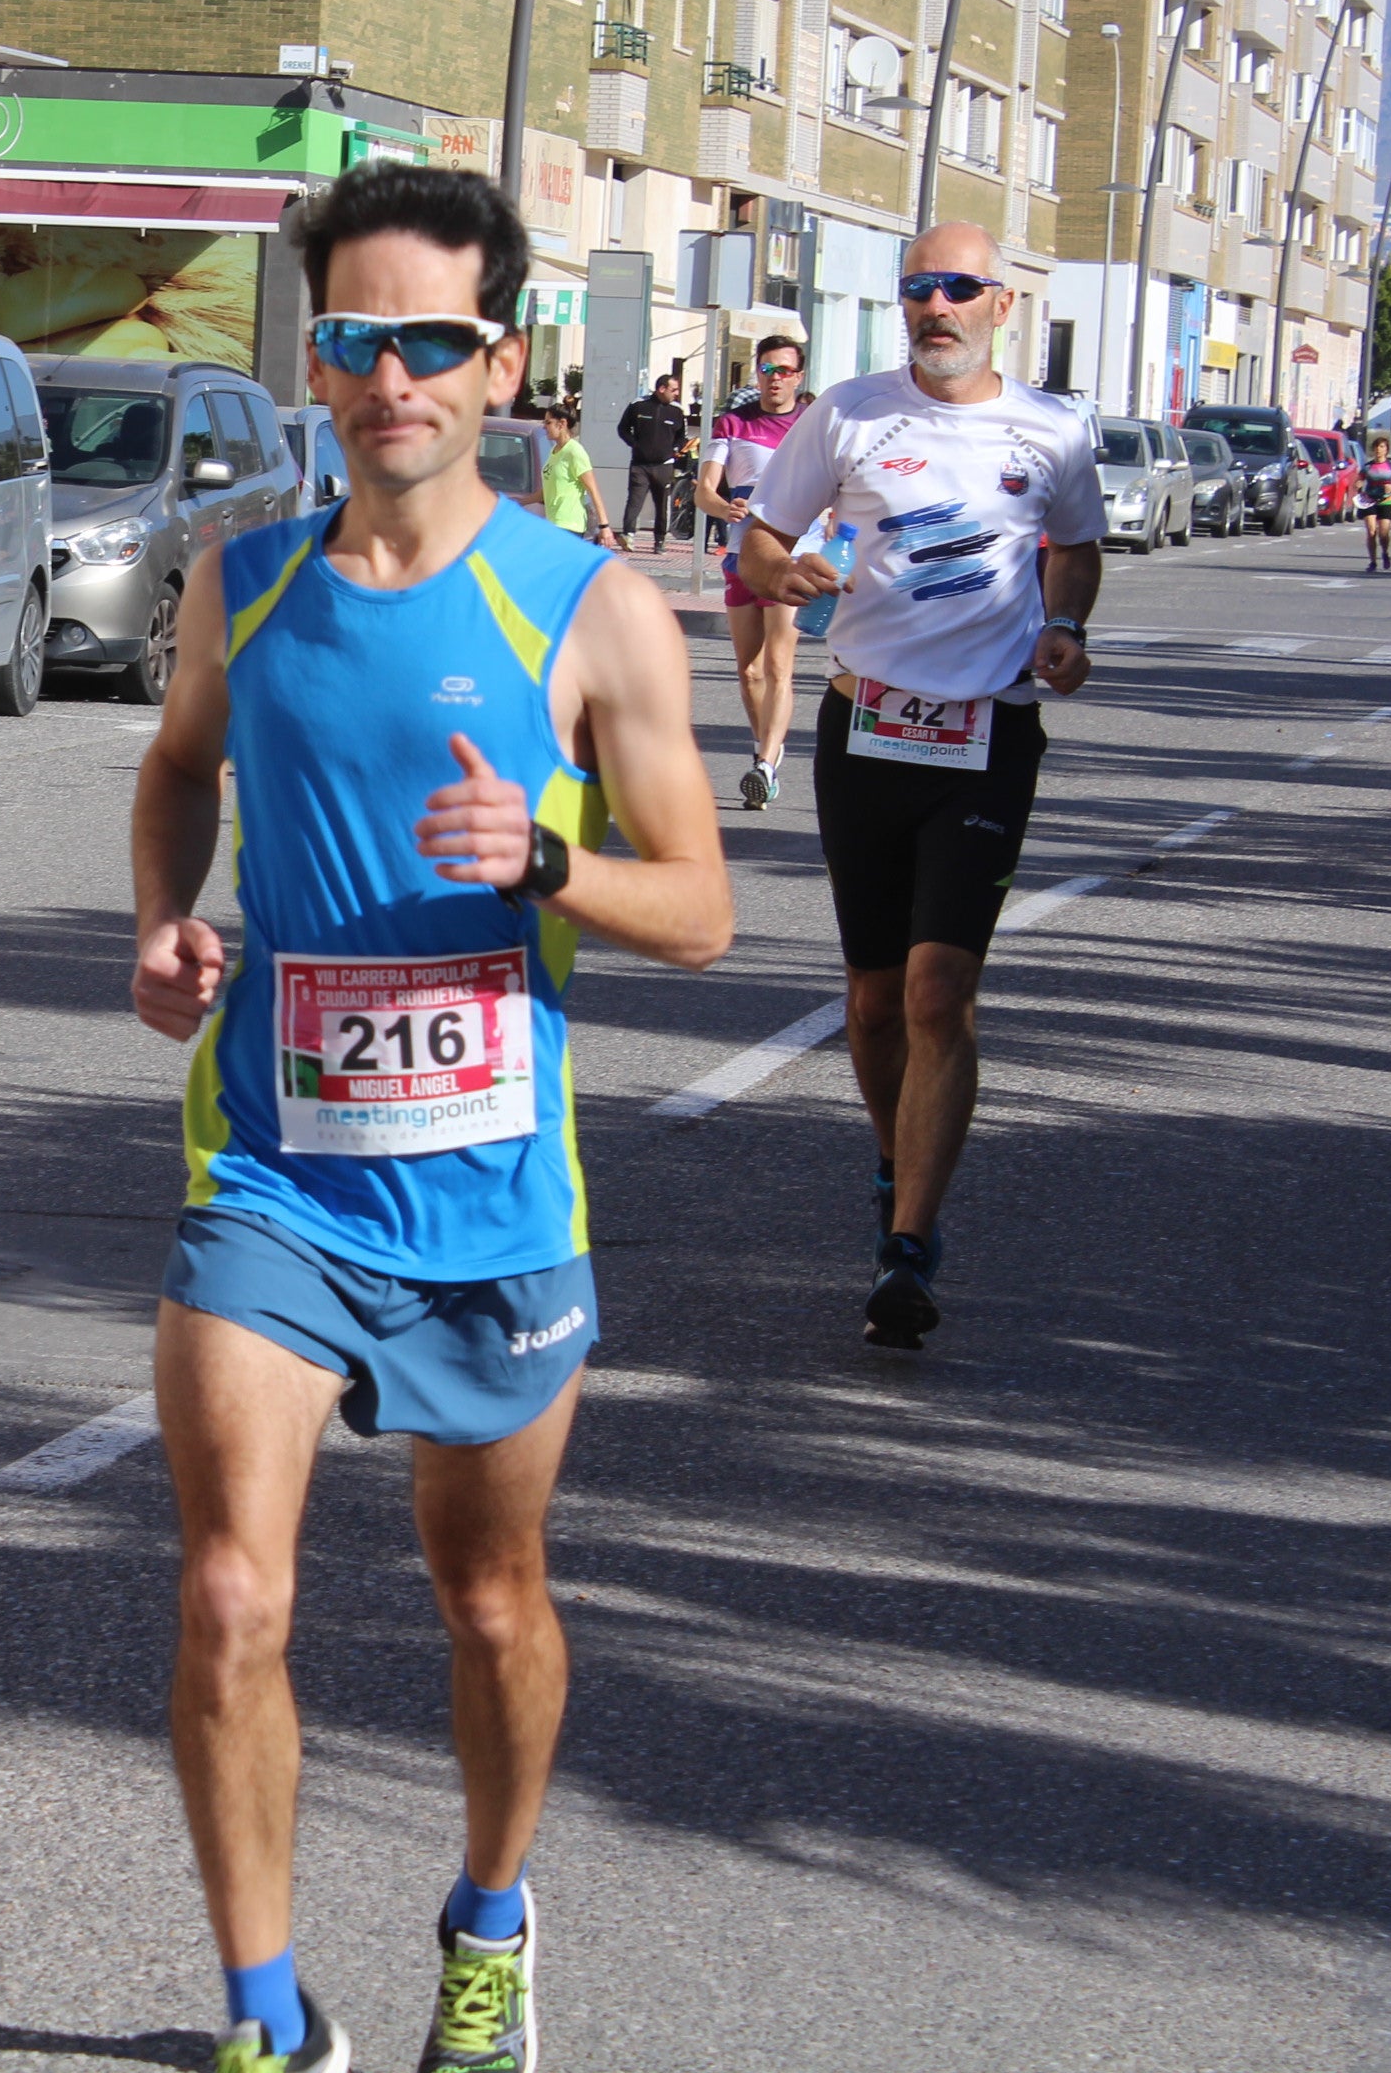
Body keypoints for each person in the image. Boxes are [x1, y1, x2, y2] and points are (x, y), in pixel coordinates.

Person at [130, 163, 732, 2073]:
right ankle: (259, 2010)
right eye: (353, 339)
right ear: (315, 358)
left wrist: (550, 854)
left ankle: (488, 1913)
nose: (390, 376)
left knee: (490, 1598)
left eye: (431, 342)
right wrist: (165, 917)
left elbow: (703, 909)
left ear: (499, 359)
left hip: (490, 1196)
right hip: (276, 1178)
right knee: (232, 1585)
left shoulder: (590, 604)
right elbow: (174, 768)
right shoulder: (247, 579)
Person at [738, 223, 1102, 1350]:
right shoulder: (847, 410)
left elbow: (1076, 546)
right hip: (867, 726)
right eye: (915, 290)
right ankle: (896, 1158)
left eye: (954, 289)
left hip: (987, 735)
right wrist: (782, 569)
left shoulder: (1052, 429)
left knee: (941, 992)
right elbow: (758, 538)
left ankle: (910, 1242)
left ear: (1001, 303)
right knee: (871, 1000)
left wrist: (1066, 623)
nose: (932, 306)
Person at [694, 339, 808, 810]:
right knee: (749, 671)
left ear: (799, 377)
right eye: (767, 368)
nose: (774, 377)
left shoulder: (811, 425)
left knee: (780, 665)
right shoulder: (733, 423)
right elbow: (704, 490)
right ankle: (766, 750)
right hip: (742, 557)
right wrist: (724, 506)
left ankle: (764, 765)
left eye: (784, 370)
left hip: (790, 560)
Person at [615, 373, 689, 551]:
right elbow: (622, 428)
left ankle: (660, 540)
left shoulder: (677, 410)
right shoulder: (638, 405)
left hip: (664, 466)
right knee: (634, 500)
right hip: (640, 464)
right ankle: (628, 535)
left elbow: (682, 437)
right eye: (674, 389)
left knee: (662, 504)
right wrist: (634, 444)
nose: (676, 393)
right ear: (661, 389)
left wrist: (674, 451)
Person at [535, 402, 615, 546]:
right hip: (554, 523)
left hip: (568, 525)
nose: (544, 427)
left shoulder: (575, 452)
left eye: (548, 422)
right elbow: (550, 489)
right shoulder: (555, 452)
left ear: (562, 424)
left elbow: (593, 490)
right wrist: (521, 501)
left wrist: (604, 526)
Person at [1358, 435, 1391, 572]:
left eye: (1382, 447)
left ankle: (1385, 552)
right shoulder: (1367, 467)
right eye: (1376, 446)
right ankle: (1373, 562)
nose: (1378, 449)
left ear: (1386, 450)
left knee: (1383, 534)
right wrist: (1358, 484)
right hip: (1369, 501)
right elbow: (1359, 481)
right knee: (1371, 532)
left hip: (1386, 502)